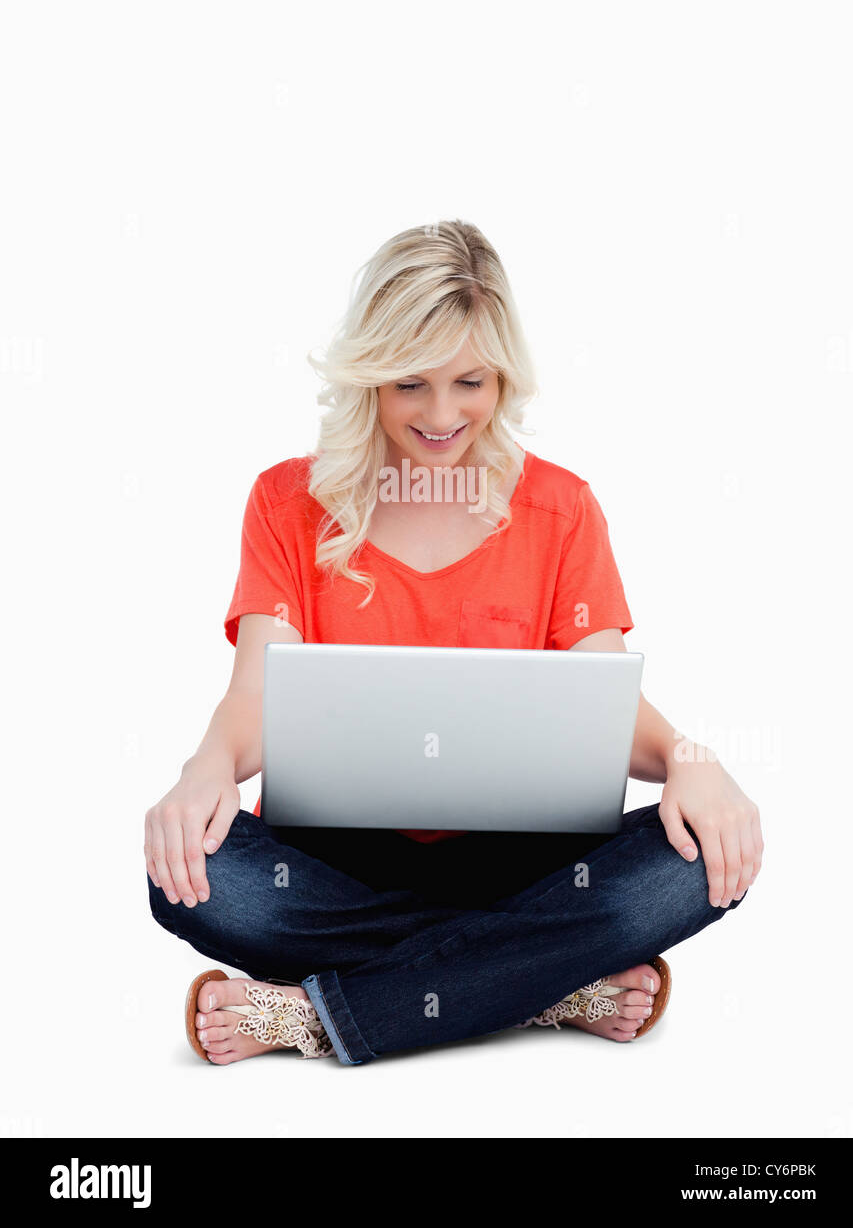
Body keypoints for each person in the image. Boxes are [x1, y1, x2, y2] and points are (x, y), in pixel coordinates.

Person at [145, 219, 762, 1066]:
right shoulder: (287, 501)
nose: (442, 417)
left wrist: (695, 758)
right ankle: (548, 983)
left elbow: (604, 704)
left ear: (503, 376)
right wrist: (205, 768)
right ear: (369, 376)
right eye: (410, 384)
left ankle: (313, 1018)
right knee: (194, 876)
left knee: (694, 865)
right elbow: (255, 694)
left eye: (469, 381)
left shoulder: (561, 508)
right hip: (335, 866)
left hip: (520, 858)